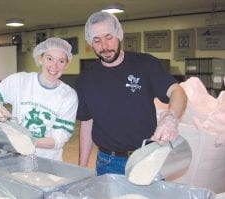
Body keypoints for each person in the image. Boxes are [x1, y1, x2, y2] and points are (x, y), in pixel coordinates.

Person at [76, 11, 187, 175]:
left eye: (109, 37)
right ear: (90, 42)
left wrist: (171, 117)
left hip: (148, 158)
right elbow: (87, 124)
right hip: (108, 163)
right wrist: (81, 168)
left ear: (119, 35)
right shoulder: (86, 78)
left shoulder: (145, 64)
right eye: (97, 40)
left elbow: (177, 91)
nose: (105, 47)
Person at [0, 38, 78, 161]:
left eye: (61, 61)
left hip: (47, 162)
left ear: (67, 64)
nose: (54, 66)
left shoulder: (68, 96)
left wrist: (24, 141)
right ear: (40, 59)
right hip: (15, 158)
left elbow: (59, 139)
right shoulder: (20, 81)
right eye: (49, 58)